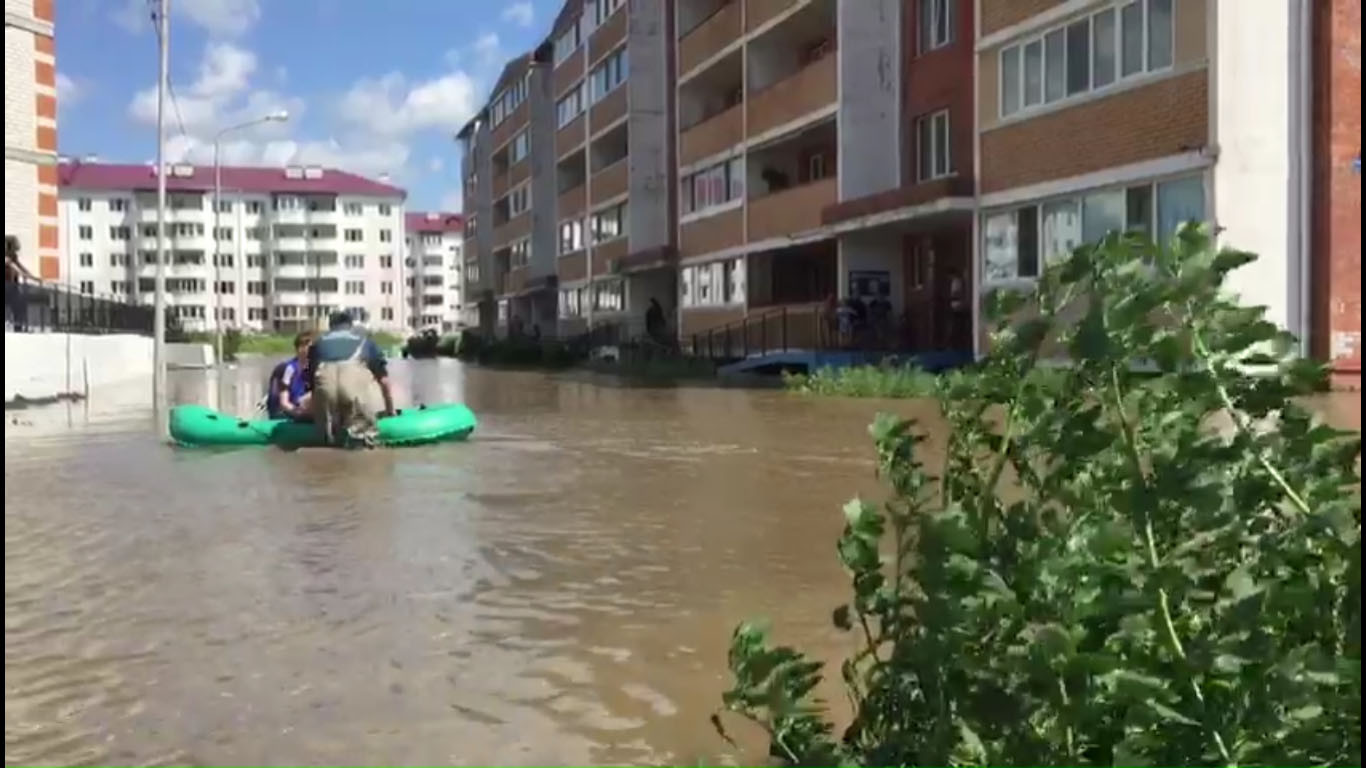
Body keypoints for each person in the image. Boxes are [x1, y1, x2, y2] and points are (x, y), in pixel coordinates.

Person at [309, 311, 395, 447]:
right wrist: (391, 411)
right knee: (362, 443)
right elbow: (384, 382)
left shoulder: (318, 344)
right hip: (353, 389)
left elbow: (312, 384)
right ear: (350, 325)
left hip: (325, 393)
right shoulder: (365, 342)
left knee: (326, 443)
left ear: (330, 325)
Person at [265, 331, 314, 420]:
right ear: (297, 349)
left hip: (303, 408)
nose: (305, 350)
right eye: (302, 346)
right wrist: (298, 413)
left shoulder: (314, 370)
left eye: (309, 347)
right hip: (287, 412)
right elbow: (284, 403)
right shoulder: (289, 369)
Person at [6, 235, 39, 332]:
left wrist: (33, 277)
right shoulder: (7, 259)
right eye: (13, 248)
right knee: (17, 299)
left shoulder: (13, 258)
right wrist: (24, 274)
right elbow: (15, 268)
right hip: (7, 286)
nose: (15, 251)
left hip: (12, 287)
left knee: (20, 303)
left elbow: (21, 268)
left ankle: (19, 326)